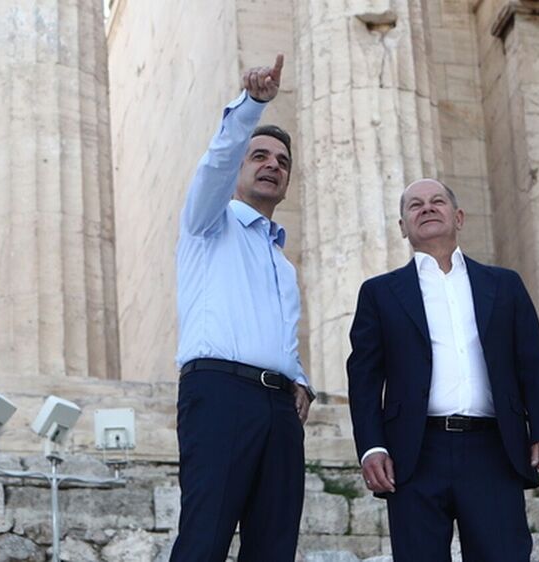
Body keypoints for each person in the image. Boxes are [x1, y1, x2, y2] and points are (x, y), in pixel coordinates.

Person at [346, 178, 539, 561]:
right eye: (415, 205)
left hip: (493, 449)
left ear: (459, 217)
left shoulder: (505, 285)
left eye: (437, 201)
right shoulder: (379, 293)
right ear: (402, 226)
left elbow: (533, 364)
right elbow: (364, 378)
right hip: (414, 454)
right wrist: (372, 447)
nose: (427, 208)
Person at [170, 54, 315, 562]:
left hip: (278, 409)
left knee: (275, 546)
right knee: (205, 538)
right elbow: (215, 161)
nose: (273, 165)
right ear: (238, 168)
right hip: (220, 394)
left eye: (283, 162)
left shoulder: (282, 262)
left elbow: (280, 332)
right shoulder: (208, 222)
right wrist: (252, 105)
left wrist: (300, 379)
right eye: (260, 156)